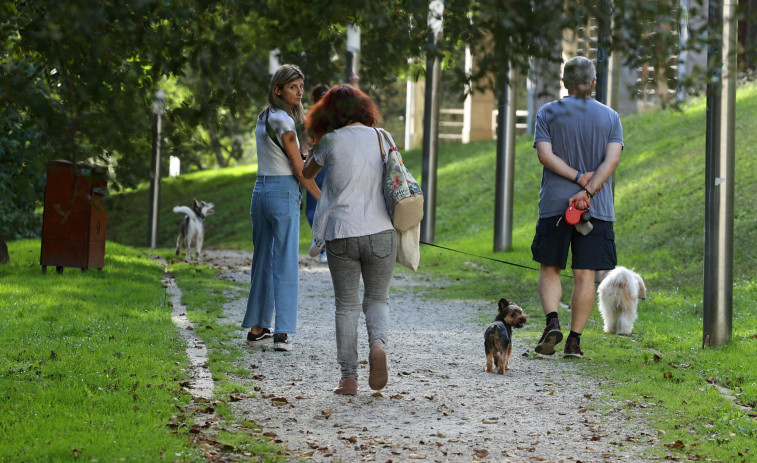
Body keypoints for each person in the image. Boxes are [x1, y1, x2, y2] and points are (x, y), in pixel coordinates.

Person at [302, 84, 396, 395]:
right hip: (381, 230)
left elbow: (306, 172)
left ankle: (349, 378)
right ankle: (378, 344)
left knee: (346, 305)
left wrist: (314, 147)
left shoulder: (329, 141)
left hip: (342, 232)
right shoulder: (383, 137)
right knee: (377, 299)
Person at [530, 56, 623, 358]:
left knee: (550, 267)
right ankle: (574, 342)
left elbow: (545, 155)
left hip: (556, 205)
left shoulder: (547, 113)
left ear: (565, 82)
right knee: (585, 274)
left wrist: (575, 179)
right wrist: (589, 190)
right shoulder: (610, 117)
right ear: (594, 83)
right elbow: (612, 161)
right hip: (596, 208)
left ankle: (551, 321)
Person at [242, 64, 320, 352]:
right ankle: (283, 331)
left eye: (301, 86)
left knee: (262, 259)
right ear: (278, 90)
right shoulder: (285, 122)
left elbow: (287, 156)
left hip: (260, 192)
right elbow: (300, 171)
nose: (299, 92)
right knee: (285, 260)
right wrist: (323, 199)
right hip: (282, 192)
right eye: (292, 87)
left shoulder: (265, 118)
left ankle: (258, 326)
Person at [304, 84, 330, 263]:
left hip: (320, 165)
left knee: (315, 209)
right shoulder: (335, 117)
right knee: (317, 209)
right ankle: (324, 246)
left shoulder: (311, 117)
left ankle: (324, 247)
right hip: (321, 165)